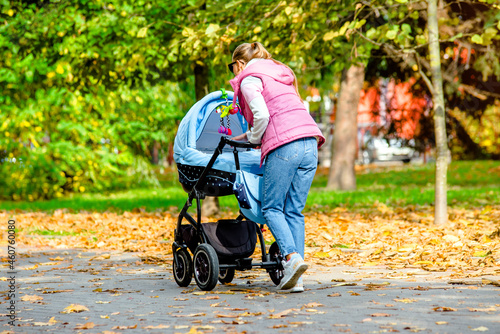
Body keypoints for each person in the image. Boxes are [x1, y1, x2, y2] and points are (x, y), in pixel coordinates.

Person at [228, 42, 326, 292]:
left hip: (286, 146)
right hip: (310, 143)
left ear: (239, 64)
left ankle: (292, 259)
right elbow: (285, 110)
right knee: (294, 210)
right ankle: (297, 278)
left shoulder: (249, 78)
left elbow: (262, 115)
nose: (233, 73)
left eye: (232, 67)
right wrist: (252, 133)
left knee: (271, 207)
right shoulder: (279, 75)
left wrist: (252, 138)